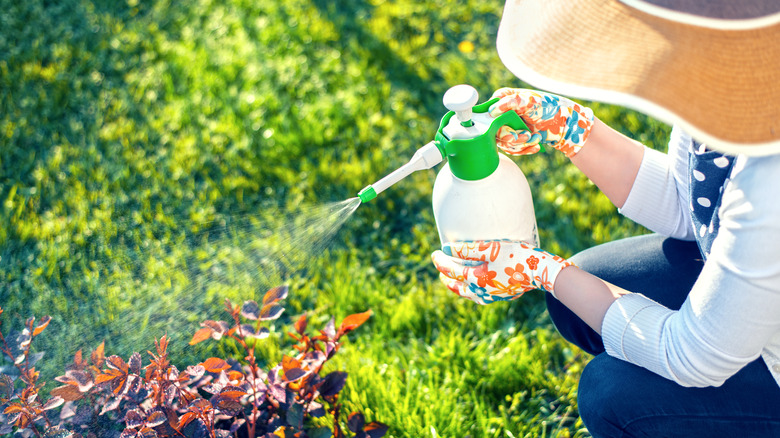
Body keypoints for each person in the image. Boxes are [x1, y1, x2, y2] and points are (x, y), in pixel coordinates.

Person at [431, 0, 780, 436]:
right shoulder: (735, 86)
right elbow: (691, 205)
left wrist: (542, 269)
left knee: (611, 393)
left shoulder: (771, 177)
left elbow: (694, 356)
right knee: (588, 283)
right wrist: (570, 128)